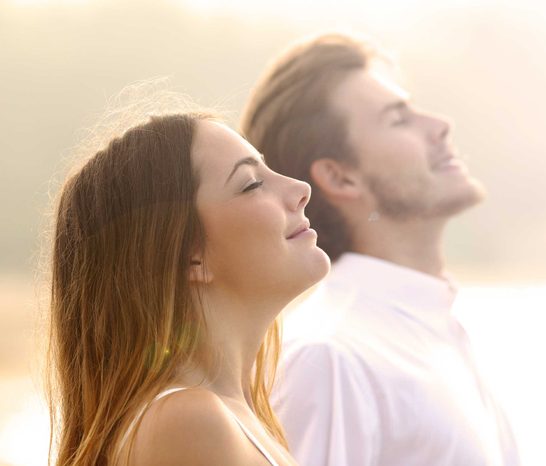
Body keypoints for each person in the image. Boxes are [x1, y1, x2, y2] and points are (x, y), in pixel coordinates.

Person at [241, 33, 521, 466]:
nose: (440, 125)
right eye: (398, 119)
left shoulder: (431, 330)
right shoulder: (331, 357)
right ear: (340, 178)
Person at [47, 109, 330, 465]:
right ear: (189, 256)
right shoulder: (188, 421)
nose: (300, 188)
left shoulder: (240, 418)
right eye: (252, 184)